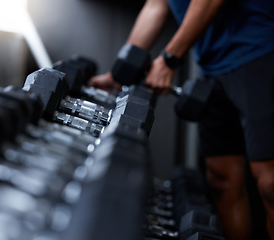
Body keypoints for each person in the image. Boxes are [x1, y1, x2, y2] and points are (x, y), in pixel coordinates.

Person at [88, 0, 274, 240]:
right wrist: (118, 73)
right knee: (222, 181)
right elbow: (156, 5)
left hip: (258, 54)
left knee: (270, 184)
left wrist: (169, 59)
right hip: (212, 68)